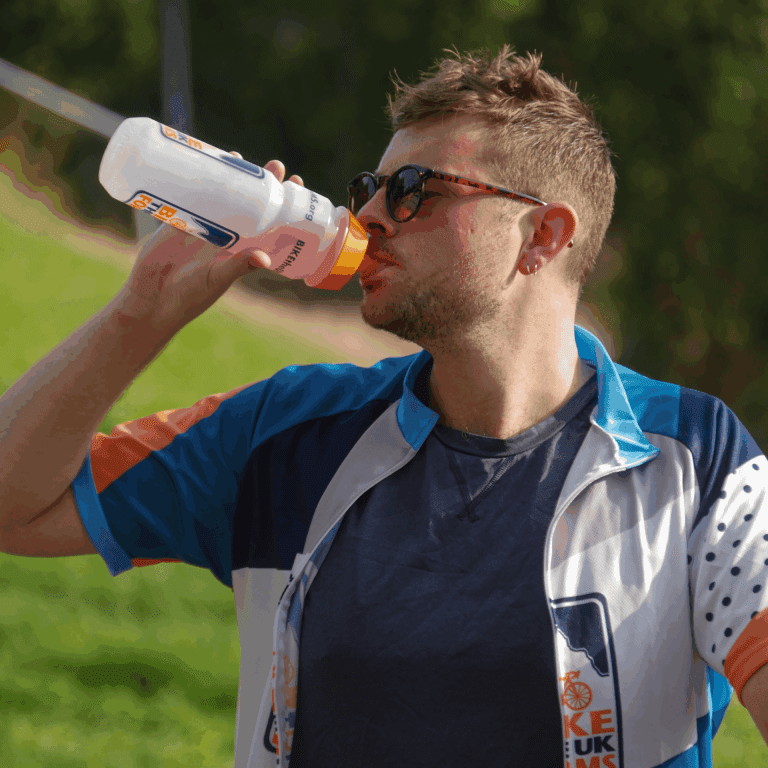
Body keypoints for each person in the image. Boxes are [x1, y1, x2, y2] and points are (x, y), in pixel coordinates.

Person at [1, 45, 767, 768]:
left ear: (542, 235)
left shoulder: (698, 460)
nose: (368, 216)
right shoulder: (288, 431)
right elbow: (15, 508)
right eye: (369, 188)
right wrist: (140, 313)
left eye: (414, 191)